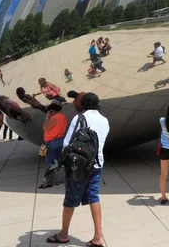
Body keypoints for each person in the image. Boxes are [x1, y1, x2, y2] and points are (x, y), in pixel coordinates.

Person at [47, 93, 109, 246]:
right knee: (93, 196)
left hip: (78, 166)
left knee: (70, 199)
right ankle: (98, 237)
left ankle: (63, 234)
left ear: (83, 104)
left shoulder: (80, 118)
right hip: (96, 164)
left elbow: (67, 143)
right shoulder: (104, 120)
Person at [39, 102, 68, 188]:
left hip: (52, 141)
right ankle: (59, 178)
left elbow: (45, 127)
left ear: (52, 111)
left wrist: (47, 118)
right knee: (58, 160)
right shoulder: (63, 116)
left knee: (50, 161)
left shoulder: (54, 118)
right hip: (60, 140)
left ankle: (49, 181)